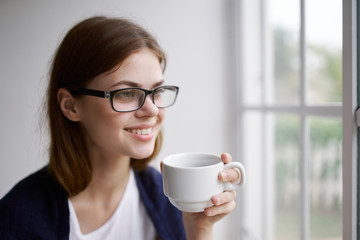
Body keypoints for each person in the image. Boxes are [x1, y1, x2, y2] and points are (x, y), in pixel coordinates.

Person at [0, 16, 241, 240]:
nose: (152, 110)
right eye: (126, 93)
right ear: (71, 106)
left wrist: (200, 228)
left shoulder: (163, 197)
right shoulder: (17, 217)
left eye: (156, 91)